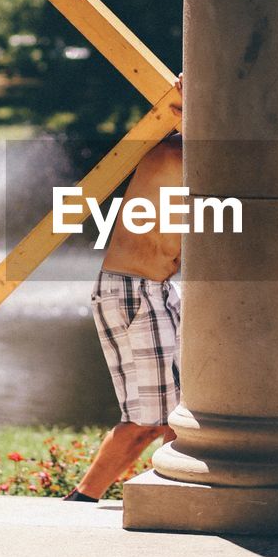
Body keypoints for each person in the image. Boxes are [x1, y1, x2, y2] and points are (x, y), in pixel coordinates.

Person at [64, 78, 183, 502]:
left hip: (144, 289)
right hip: (137, 290)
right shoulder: (176, 153)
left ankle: (92, 500)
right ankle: (83, 502)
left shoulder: (188, 151)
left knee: (168, 417)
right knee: (158, 419)